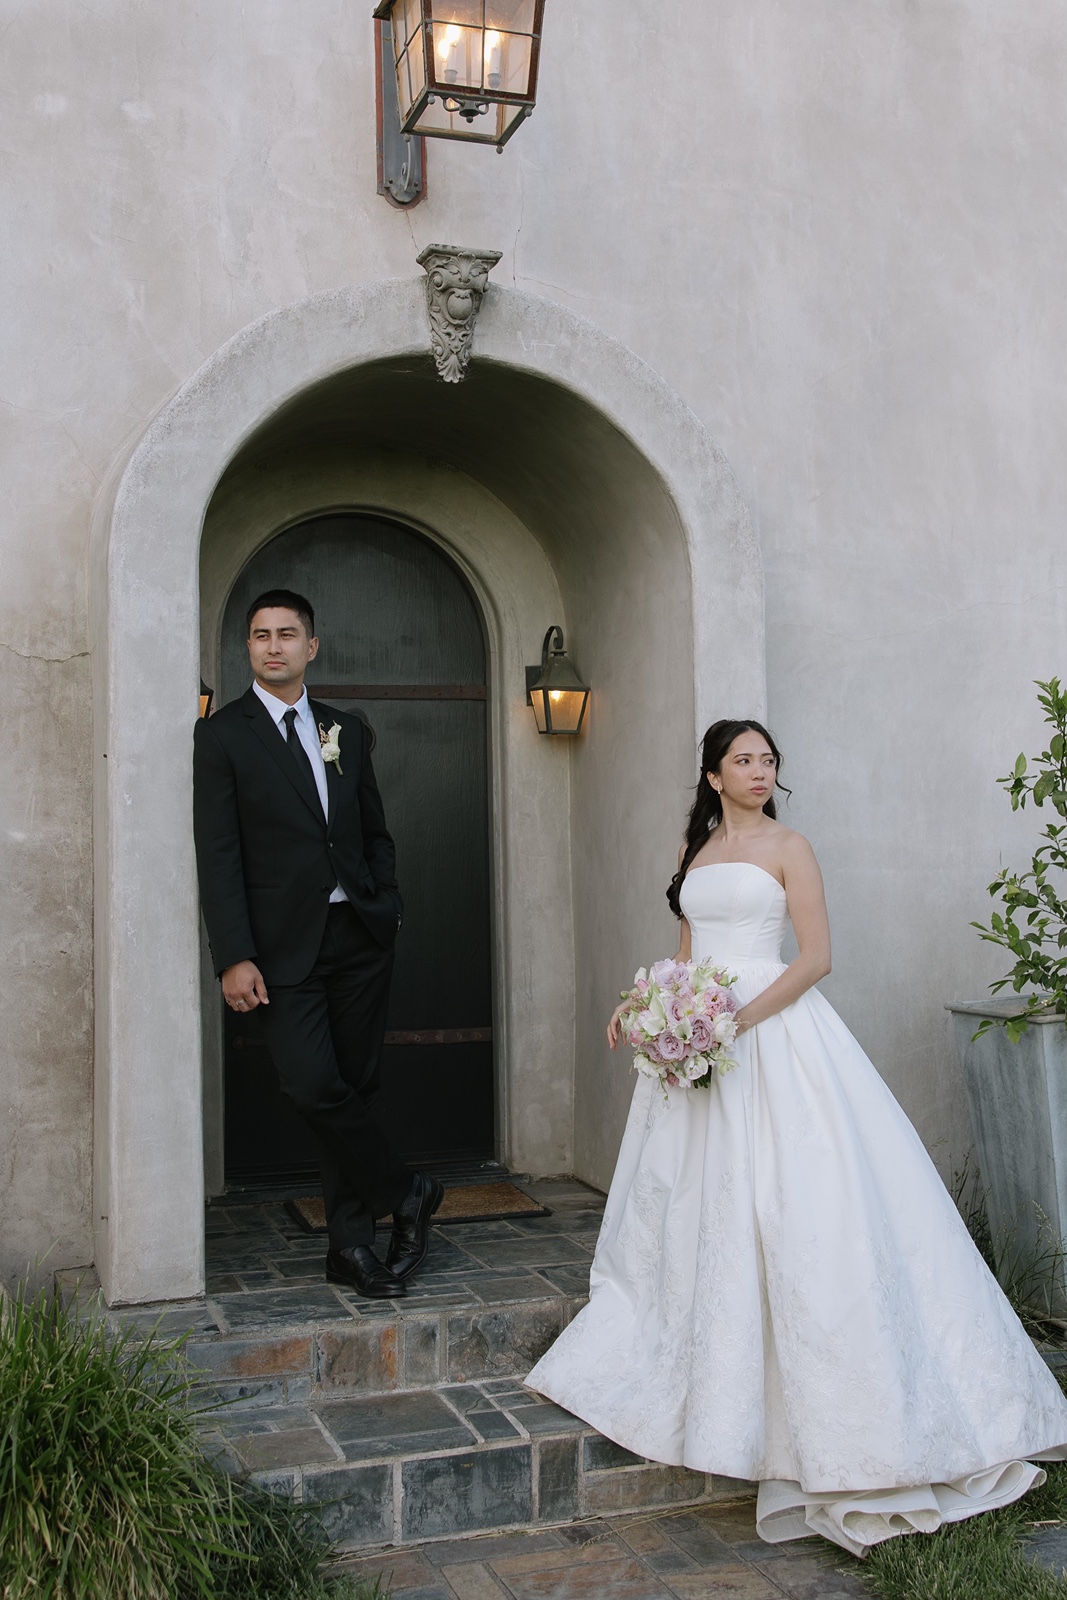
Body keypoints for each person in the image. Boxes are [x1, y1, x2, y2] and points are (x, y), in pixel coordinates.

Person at [526, 718, 1067, 1556]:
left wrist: (731, 1022)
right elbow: (683, 951)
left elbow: (814, 958)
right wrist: (648, 1007)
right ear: (711, 775)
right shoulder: (694, 850)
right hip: (702, 1036)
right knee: (698, 1198)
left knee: (798, 1198)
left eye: (767, 759)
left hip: (770, 1033)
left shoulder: (790, 845)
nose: (758, 770)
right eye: (741, 760)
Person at [192, 588, 442, 1300]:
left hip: (358, 935)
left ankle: (351, 1248)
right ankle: (408, 1190)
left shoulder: (346, 729)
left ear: (312, 646)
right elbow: (219, 853)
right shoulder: (222, 735)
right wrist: (233, 954)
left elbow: (373, 830)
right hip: (277, 949)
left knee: (356, 1087)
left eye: (286, 634)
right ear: (248, 648)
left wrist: (383, 904)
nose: (272, 646)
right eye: (260, 636)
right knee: (312, 1084)